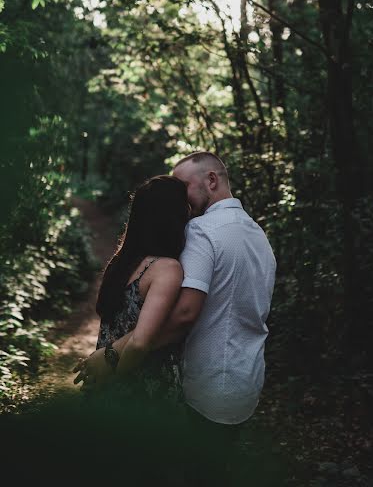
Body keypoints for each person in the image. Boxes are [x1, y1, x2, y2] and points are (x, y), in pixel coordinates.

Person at [74, 152, 276, 431]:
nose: (183, 200)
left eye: (184, 187)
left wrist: (111, 355)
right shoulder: (258, 235)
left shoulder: (201, 231)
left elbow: (183, 314)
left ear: (212, 180)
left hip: (205, 382)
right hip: (247, 380)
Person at [73, 174, 190, 400]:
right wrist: (113, 378)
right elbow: (139, 343)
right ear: (174, 217)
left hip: (108, 378)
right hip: (141, 389)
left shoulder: (121, 262)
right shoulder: (167, 269)